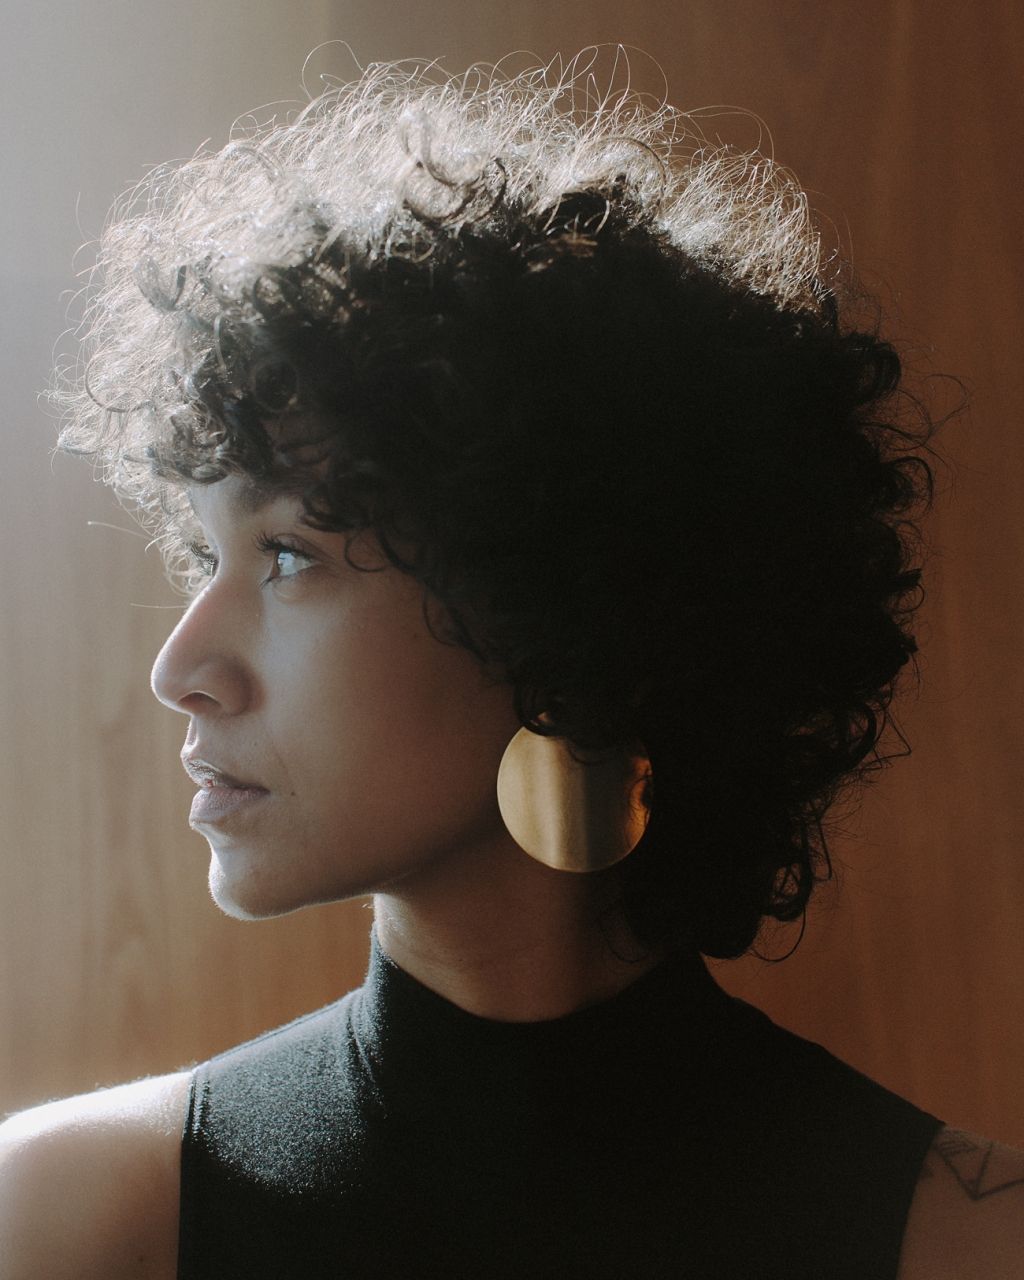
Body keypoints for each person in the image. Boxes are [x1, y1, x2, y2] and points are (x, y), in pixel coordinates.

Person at [1, 50, 1021, 1280]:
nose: (183, 665)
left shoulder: (968, 1237)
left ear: (555, 598)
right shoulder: (73, 1221)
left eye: (285, 555)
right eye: (197, 554)